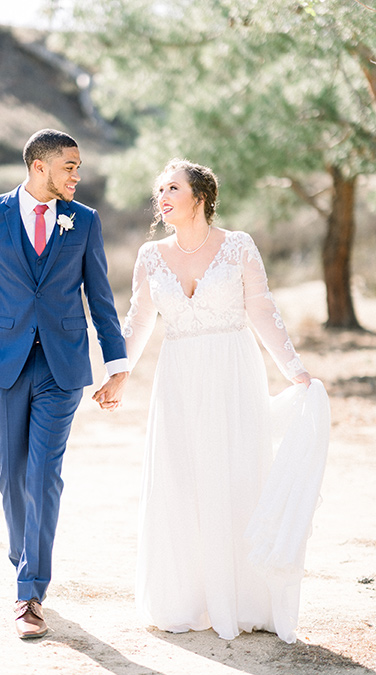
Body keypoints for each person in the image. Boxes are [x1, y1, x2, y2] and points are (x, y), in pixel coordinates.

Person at [116, 158, 329, 644]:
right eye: (159, 190)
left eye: (173, 187)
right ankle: (186, 597)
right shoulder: (150, 256)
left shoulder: (238, 247)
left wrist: (294, 370)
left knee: (234, 474)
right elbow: (138, 323)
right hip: (177, 380)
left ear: (201, 196)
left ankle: (242, 597)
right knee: (181, 477)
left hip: (233, 373)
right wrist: (118, 373)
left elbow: (263, 311)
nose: (163, 196)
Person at [0, 129, 129, 639]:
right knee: (11, 474)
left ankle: (29, 592)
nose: (78, 175)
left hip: (62, 365)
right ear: (39, 167)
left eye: (78, 167)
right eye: (69, 166)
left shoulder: (85, 221)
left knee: (43, 474)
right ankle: (23, 554)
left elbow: (100, 296)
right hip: (4, 360)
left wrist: (116, 363)